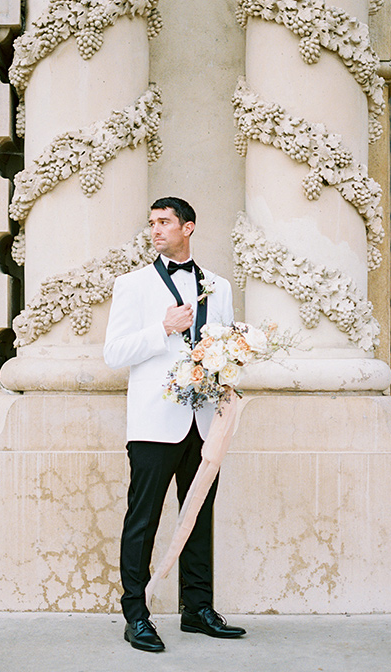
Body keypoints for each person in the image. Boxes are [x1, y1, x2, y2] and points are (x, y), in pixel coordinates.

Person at [104, 197, 246, 652]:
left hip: (204, 421)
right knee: (142, 519)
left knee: (198, 515)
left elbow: (221, 345)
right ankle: (136, 615)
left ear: (188, 227)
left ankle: (198, 610)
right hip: (154, 424)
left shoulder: (218, 286)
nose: (156, 230)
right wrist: (162, 328)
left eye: (165, 222)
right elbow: (114, 354)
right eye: (152, 223)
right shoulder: (133, 285)